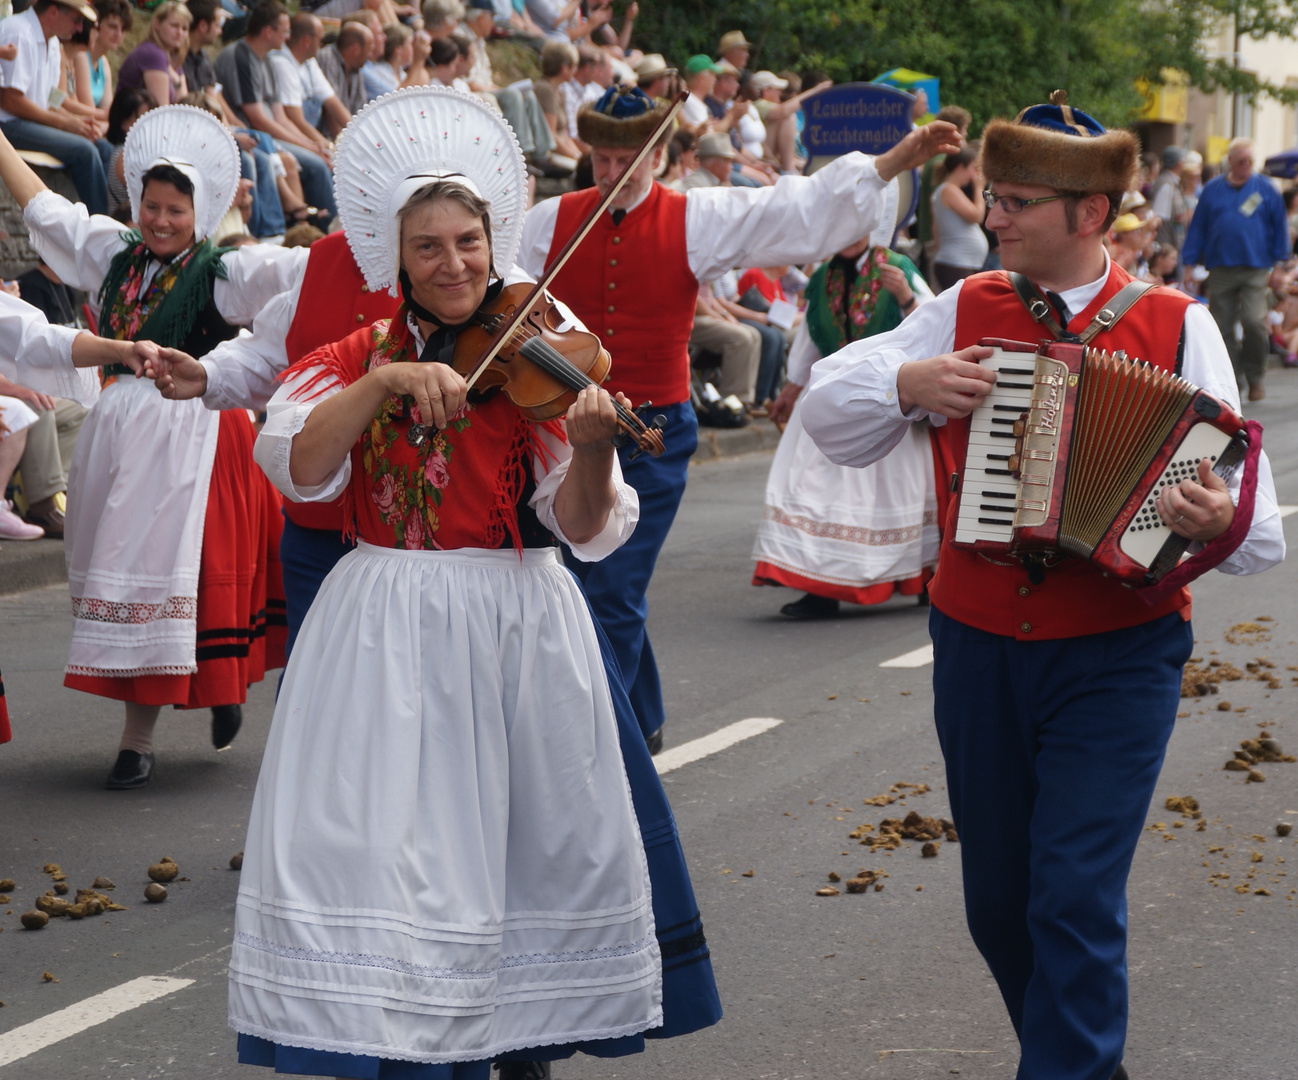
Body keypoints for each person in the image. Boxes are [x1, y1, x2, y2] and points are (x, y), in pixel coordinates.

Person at [179, 84, 670, 1078]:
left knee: (518, 844)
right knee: (390, 854)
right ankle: (406, 1037)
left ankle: (517, 1042)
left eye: (468, 243)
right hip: (383, 627)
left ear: (494, 245)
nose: (453, 265)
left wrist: (586, 454)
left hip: (514, 624)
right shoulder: (354, 355)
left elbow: (583, 531)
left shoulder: (533, 352)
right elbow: (300, 462)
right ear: (396, 261)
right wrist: (383, 384)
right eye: (429, 248)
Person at [799, 90, 1285, 1080]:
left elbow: (1253, 528)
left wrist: (1207, 519)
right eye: (990, 194)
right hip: (975, 646)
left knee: (1069, 894)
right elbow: (825, 408)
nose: (992, 215)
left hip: (1118, 652)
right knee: (999, 903)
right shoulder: (958, 307)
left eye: (1015, 200)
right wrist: (907, 385)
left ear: (1090, 214)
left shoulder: (1176, 324)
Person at [519, 86, 962, 750]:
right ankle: (644, 717)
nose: (612, 175)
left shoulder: (695, 217)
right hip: (563, 431)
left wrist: (895, 158)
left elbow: (790, 209)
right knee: (572, 584)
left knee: (612, 588)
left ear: (659, 155)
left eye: (627, 162)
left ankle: (613, 749)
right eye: (602, 160)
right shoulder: (548, 220)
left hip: (652, 437)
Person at [0, 105, 306, 789]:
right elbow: (46, 209)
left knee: (187, 574)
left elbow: (296, 272)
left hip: (198, 432)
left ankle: (142, 739)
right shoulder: (114, 253)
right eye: (152, 205)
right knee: (133, 571)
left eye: (175, 209)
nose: (162, 219)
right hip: (121, 437)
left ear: (201, 213)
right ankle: (197, 700)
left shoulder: (224, 271)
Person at [754, 199, 939, 618]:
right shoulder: (821, 277)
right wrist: (790, 390)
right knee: (809, 489)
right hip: (832, 398)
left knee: (896, 495)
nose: (851, 233)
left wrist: (907, 296)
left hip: (888, 397)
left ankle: (918, 578)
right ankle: (819, 586)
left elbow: (935, 326)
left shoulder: (898, 268)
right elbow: (808, 340)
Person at [1181, 137, 1290, 402]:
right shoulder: (1213, 189)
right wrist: (1188, 264)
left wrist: (1279, 265)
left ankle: (1255, 376)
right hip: (1221, 266)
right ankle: (1234, 381)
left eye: (1250, 161)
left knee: (1254, 321)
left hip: (1256, 266)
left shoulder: (1266, 188)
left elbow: (1280, 228)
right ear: (1229, 162)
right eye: (1241, 161)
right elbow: (1198, 228)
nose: (1245, 166)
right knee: (1222, 328)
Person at [214, 1, 338, 224]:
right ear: (268, 31)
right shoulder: (240, 56)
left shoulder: (268, 59)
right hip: (252, 133)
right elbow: (258, 120)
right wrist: (309, 147)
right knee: (315, 164)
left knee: (318, 157)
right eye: (286, 30)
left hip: (267, 134)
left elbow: (280, 118)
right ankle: (324, 226)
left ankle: (312, 226)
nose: (289, 36)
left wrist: (311, 145)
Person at [0, 0, 111, 215]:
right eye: (76, 20)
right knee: (85, 151)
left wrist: (79, 122)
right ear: (52, 12)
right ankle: (102, 229)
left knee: (103, 147)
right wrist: (66, 123)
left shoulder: (52, 43)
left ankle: (109, 219)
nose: (80, 28)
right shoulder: (20, 32)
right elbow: (11, 102)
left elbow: (52, 98)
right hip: (7, 125)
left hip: (26, 123)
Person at [268, 11, 347, 151]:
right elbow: (296, 120)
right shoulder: (281, 64)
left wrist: (357, 131)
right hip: (291, 137)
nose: (321, 45)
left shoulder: (309, 62)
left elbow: (333, 103)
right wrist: (329, 148)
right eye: (320, 40)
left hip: (309, 138)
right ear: (306, 41)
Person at [930, 143, 987, 290]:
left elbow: (935, 230)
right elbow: (977, 215)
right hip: (957, 263)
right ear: (961, 167)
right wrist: (979, 187)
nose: (975, 174)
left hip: (958, 262)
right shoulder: (949, 190)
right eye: (973, 168)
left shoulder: (943, 191)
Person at [117, 1, 190, 106]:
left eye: (184, 28)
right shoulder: (153, 54)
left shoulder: (173, 55)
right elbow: (161, 111)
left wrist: (176, 80)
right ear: (157, 24)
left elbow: (184, 104)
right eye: (174, 26)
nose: (180, 33)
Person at [315, 19, 371, 127]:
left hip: (349, 130)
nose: (369, 55)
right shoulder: (327, 58)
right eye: (368, 50)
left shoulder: (356, 66)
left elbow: (361, 110)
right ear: (356, 49)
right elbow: (331, 112)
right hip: (326, 135)